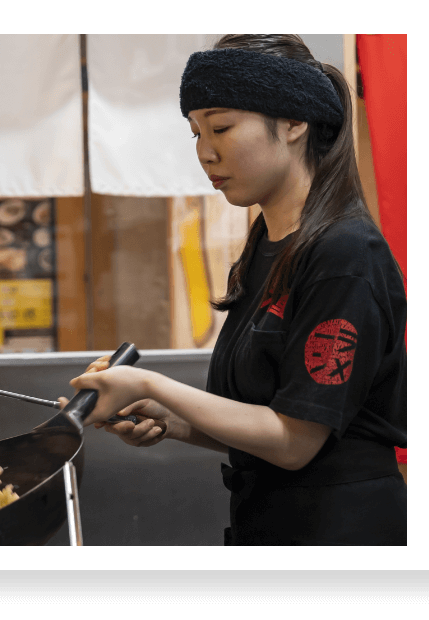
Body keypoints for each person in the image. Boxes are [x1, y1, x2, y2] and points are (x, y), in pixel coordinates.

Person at [60, 34, 407, 546]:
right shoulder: (269, 241)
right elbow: (264, 426)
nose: (205, 152)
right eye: (195, 132)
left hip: (342, 528)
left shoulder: (345, 254)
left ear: (294, 122)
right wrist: (171, 421)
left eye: (221, 127)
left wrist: (152, 386)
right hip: (270, 523)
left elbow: (296, 442)